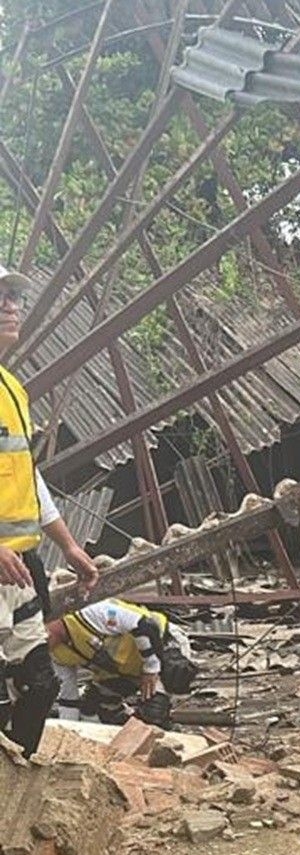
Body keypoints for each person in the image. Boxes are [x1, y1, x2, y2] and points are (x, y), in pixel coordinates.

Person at [0, 263, 99, 756]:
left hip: (21, 570)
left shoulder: (10, 389)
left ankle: (16, 791)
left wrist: (70, 545)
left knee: (40, 685)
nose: (9, 306)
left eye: (13, 297)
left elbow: (27, 475)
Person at [47, 599, 197, 728]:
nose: (44, 639)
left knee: (154, 713)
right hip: (123, 670)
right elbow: (68, 697)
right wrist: (69, 730)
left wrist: (151, 669)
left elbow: (145, 626)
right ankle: (125, 731)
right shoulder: (56, 654)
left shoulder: (90, 612)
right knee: (93, 711)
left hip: (163, 647)